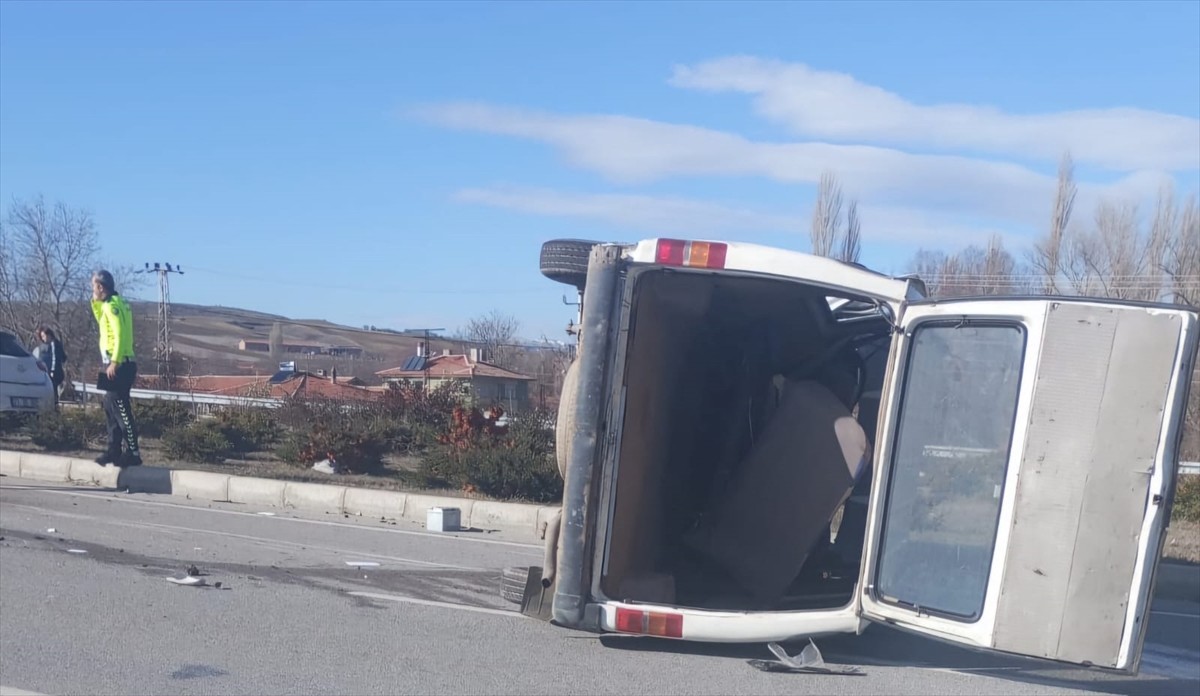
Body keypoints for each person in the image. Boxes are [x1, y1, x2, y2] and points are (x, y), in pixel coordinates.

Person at [91, 270, 142, 467]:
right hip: (115, 362)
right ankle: (114, 450)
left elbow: (119, 335)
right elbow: (100, 321)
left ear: (100, 287)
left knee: (121, 409)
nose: (92, 290)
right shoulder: (112, 304)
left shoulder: (113, 307)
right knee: (109, 407)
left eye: (94, 286)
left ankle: (133, 452)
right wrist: (95, 302)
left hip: (120, 363)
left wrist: (115, 361)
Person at [34, 327, 68, 409]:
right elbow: (63, 358)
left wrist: (52, 370)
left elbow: (54, 358)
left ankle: (53, 407)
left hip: (54, 372)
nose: (43, 338)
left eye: (44, 336)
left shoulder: (53, 344)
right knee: (52, 390)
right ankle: (53, 406)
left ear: (49, 335)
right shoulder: (53, 344)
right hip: (52, 372)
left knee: (53, 389)